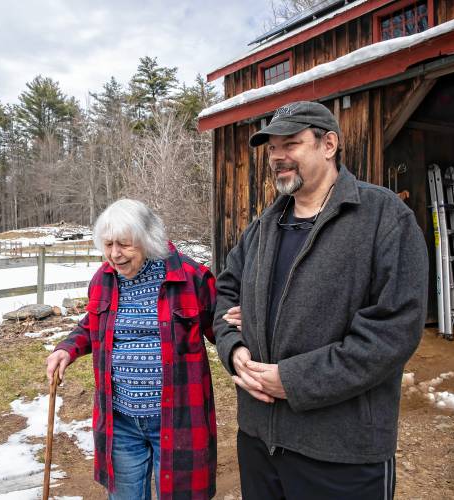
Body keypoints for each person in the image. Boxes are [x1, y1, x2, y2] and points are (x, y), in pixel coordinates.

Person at [214, 101, 428, 499]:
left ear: (328, 144)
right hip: (259, 441)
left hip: (341, 452)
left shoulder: (383, 217)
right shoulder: (263, 226)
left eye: (291, 144)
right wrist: (234, 349)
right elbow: (225, 293)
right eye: (273, 148)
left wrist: (294, 381)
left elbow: (393, 331)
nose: (278, 157)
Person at [46, 199, 217, 500]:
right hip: (120, 420)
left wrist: (246, 339)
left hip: (178, 419)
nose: (114, 254)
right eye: (108, 244)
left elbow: (222, 328)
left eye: (124, 244)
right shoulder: (104, 279)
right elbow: (93, 323)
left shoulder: (191, 277)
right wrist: (67, 349)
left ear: (148, 239)